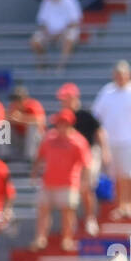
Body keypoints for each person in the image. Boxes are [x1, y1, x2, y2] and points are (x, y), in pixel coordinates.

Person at [91, 61, 131, 221]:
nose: (120, 78)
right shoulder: (107, 92)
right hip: (112, 141)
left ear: (129, 75)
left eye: (123, 74)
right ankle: (120, 205)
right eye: (117, 75)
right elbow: (96, 116)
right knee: (117, 175)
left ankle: (130, 204)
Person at [31, 110, 91, 252]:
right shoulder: (49, 138)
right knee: (43, 210)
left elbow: (86, 164)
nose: (58, 127)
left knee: (68, 212)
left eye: (60, 124)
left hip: (69, 182)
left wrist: (84, 182)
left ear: (68, 124)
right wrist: (34, 173)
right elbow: (40, 156)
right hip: (48, 181)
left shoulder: (78, 141)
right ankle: (41, 238)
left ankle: (67, 239)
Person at [55, 83, 106, 238]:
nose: (64, 101)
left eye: (66, 98)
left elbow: (99, 132)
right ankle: (73, 222)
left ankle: (90, 218)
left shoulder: (85, 115)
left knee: (86, 186)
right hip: (69, 157)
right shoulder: (61, 118)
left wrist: (105, 151)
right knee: (72, 189)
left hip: (89, 154)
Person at [31, 0, 81, 69]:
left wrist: (59, 33)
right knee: (35, 40)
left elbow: (75, 22)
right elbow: (42, 21)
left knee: (70, 37)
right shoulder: (47, 0)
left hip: (65, 32)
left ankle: (60, 66)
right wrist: (48, 32)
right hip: (49, 33)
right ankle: (43, 65)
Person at [6, 86, 47, 162]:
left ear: (25, 98)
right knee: (3, 126)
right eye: (15, 99)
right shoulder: (12, 107)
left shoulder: (33, 105)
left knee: (32, 126)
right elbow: (5, 118)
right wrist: (10, 119)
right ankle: (5, 155)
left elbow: (40, 121)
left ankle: (30, 158)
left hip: (36, 141)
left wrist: (21, 119)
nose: (16, 102)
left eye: (19, 99)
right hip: (20, 139)